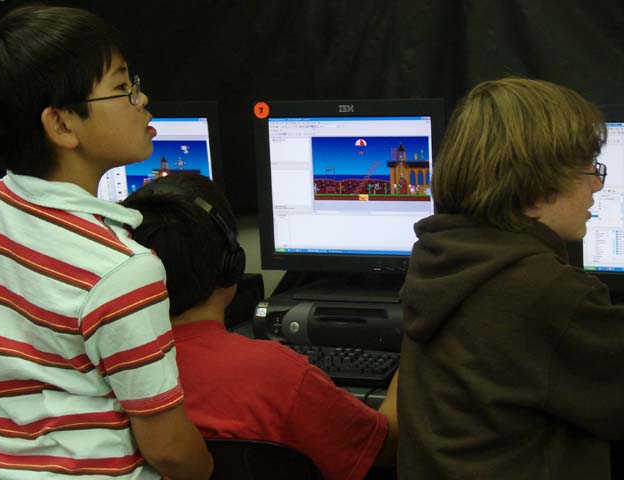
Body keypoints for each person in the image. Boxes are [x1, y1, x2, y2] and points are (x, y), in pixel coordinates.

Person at [0, 6, 212, 480]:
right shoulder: (120, 270)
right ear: (62, 125)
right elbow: (170, 449)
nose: (141, 99)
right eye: (122, 87)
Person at [397, 77, 624, 479]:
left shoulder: (439, 259)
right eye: (588, 170)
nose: (597, 185)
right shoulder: (546, 291)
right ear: (535, 191)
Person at [122, 172, 399, 480]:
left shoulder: (109, 371)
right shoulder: (275, 373)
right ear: (231, 263)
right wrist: (415, 342)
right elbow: (386, 446)